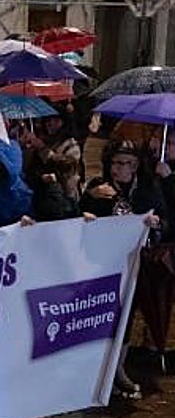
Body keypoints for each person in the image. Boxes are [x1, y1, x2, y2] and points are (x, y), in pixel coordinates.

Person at [80, 140, 166, 399]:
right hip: (102, 266)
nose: (122, 169)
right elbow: (75, 219)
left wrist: (156, 223)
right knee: (101, 315)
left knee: (126, 317)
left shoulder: (147, 192)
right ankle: (94, 368)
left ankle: (118, 368)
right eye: (118, 163)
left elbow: (165, 222)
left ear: (137, 166)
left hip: (135, 266)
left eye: (129, 163)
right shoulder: (98, 188)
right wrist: (88, 208)